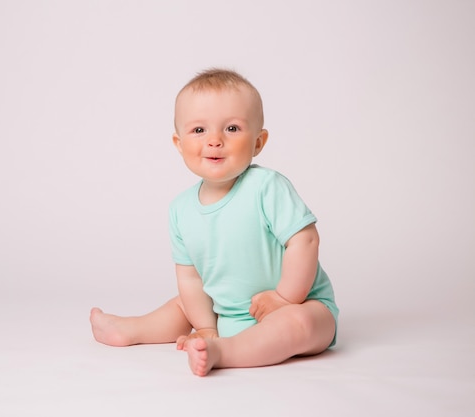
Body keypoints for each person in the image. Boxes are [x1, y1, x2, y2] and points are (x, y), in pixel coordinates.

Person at [90, 68, 338, 377]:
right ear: (179, 144)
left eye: (232, 128)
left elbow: (305, 240)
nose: (215, 141)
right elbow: (191, 277)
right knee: (186, 304)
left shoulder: (266, 186)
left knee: (300, 324)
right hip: (226, 312)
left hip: (297, 305)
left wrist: (285, 297)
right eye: (198, 131)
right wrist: (206, 326)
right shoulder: (180, 209)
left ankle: (225, 352)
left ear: (258, 142)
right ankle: (133, 329)